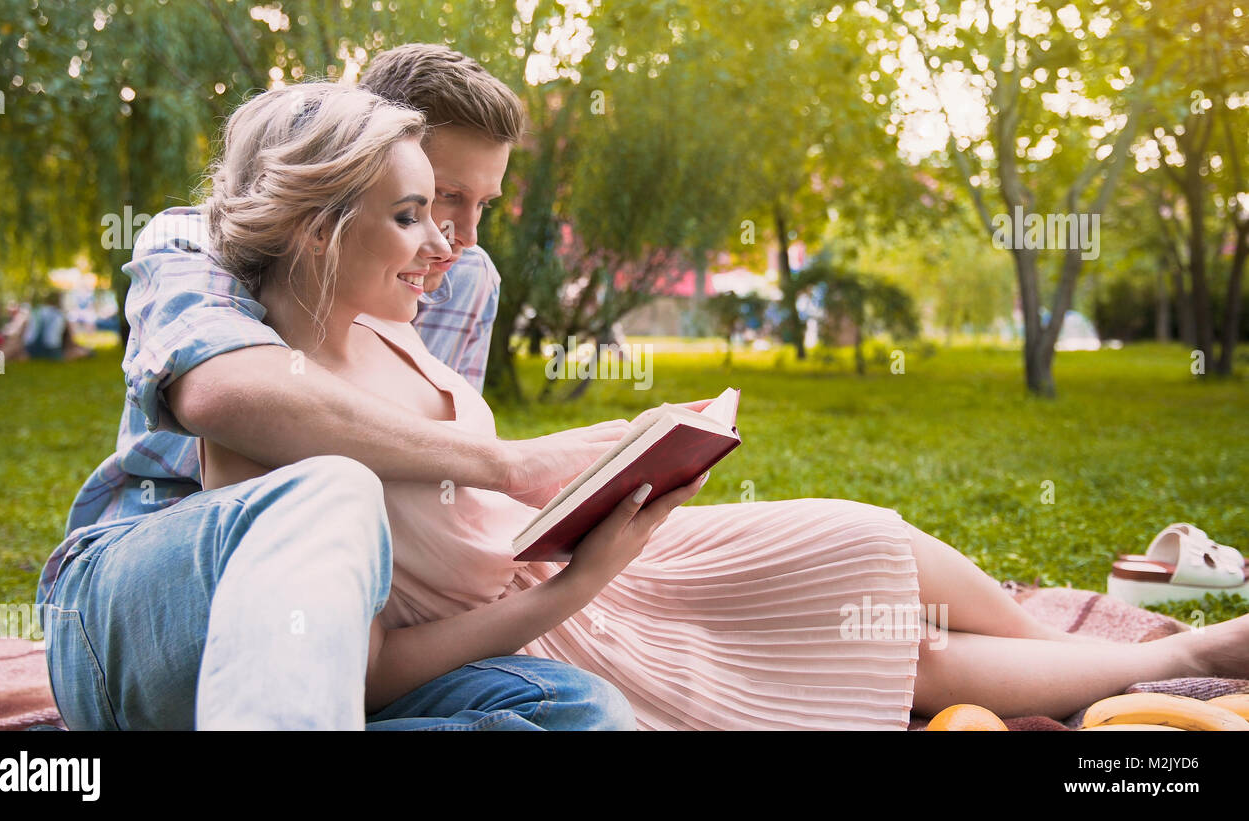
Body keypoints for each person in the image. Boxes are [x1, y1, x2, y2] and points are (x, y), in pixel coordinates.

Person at [198, 83, 1249, 731]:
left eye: (448, 208)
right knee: (887, 651)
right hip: (543, 628)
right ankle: (1178, 659)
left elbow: (467, 487)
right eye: (414, 215)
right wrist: (579, 581)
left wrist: (607, 488)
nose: (448, 244)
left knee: (860, 539)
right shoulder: (262, 426)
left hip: (578, 563)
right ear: (319, 225)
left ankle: (1063, 664)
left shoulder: (385, 319)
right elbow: (373, 669)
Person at [36, 49, 638, 730]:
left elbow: (431, 500)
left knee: (581, 709)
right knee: (331, 492)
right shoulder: (200, 241)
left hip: (361, 612)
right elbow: (224, 394)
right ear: (331, 197)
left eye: (481, 206)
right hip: (161, 574)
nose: (454, 239)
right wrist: (516, 467)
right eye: (431, 202)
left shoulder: (451, 283)